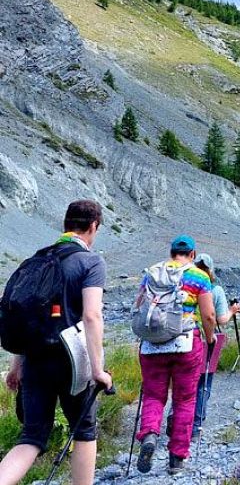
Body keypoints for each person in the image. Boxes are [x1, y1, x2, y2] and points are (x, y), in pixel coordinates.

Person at [0, 201, 112, 485]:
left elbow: (27, 317)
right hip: (72, 361)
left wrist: (16, 367)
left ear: (65, 224)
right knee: (84, 431)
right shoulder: (91, 262)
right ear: (93, 227)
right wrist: (99, 371)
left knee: (32, 437)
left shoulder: (37, 260)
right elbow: (91, 315)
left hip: (35, 358)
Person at [134, 235, 216, 475]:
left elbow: (140, 305)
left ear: (171, 253)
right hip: (185, 343)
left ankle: (149, 434)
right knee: (185, 399)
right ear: (192, 254)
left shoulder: (152, 273)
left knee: (153, 394)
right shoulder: (199, 276)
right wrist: (210, 338)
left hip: (152, 345)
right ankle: (176, 458)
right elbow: (209, 315)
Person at [166, 253, 240, 441]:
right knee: (203, 383)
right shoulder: (214, 289)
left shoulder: (181, 281)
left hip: (180, 339)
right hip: (205, 338)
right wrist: (233, 311)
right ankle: (196, 425)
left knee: (182, 383)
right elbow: (221, 320)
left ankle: (173, 417)